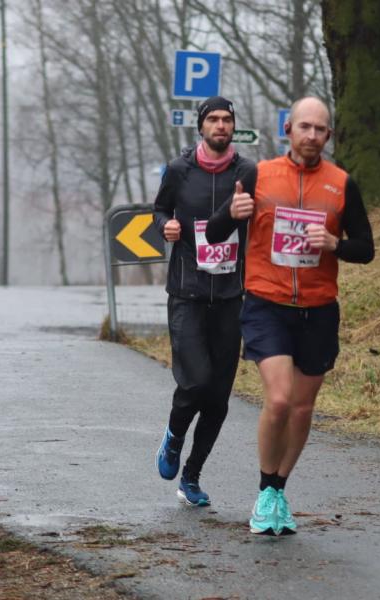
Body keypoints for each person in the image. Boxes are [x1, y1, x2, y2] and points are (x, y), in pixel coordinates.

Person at [207, 97, 375, 535]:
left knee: (301, 409)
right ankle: (264, 492)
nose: (312, 136)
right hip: (267, 304)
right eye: (304, 127)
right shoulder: (257, 175)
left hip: (318, 310)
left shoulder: (341, 183)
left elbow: (366, 249)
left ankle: (279, 489)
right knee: (279, 399)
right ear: (288, 129)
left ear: (328, 136)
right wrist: (231, 212)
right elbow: (215, 231)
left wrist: (335, 244)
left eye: (320, 129)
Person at [152, 96, 256, 507]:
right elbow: (159, 210)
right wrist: (167, 226)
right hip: (187, 293)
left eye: (227, 119)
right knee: (194, 382)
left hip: (230, 296)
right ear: (200, 127)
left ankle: (191, 477)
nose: (220, 126)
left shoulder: (247, 172)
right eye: (212, 119)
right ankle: (174, 436)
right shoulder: (179, 171)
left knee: (218, 396)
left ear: (233, 126)